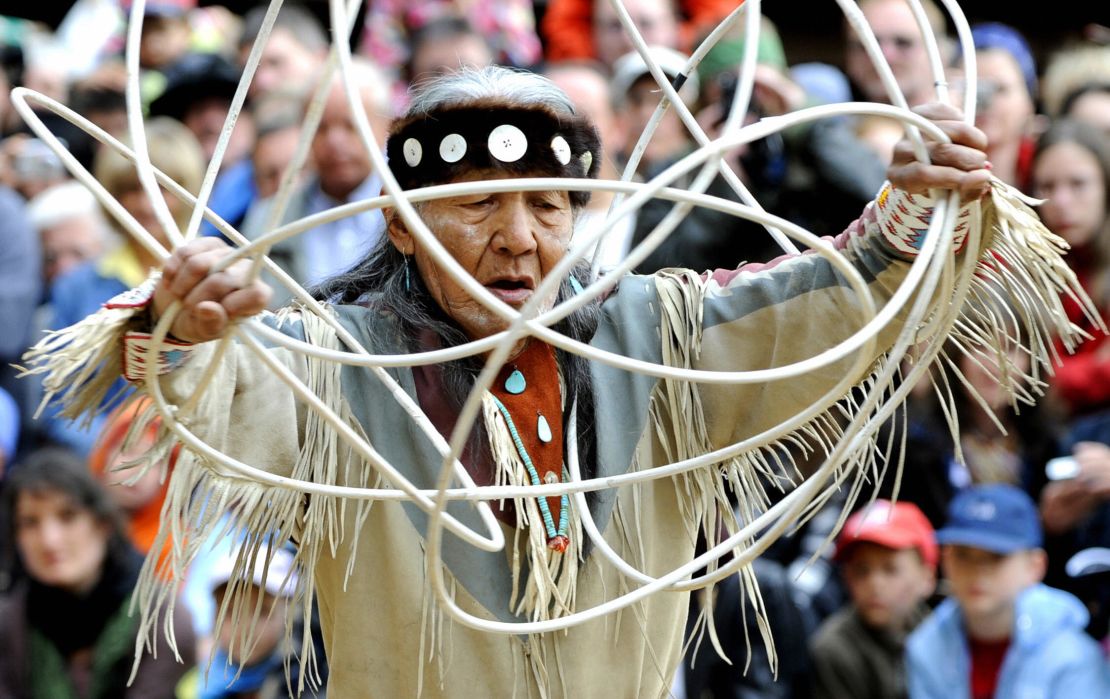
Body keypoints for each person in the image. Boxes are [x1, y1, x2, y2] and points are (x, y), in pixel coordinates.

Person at [26, 66, 1084, 697]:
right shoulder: (333, 360)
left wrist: (916, 206)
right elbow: (230, 394)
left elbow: (825, 306)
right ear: (398, 220)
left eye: (548, 206)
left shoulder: (653, 336)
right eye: (477, 206)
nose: (520, 240)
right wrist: (187, 332)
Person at [0, 447, 195, 698]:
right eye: (30, 522)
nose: (49, 540)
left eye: (67, 516)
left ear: (102, 524)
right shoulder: (10, 624)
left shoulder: (161, 620)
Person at [906, 484, 1110, 699]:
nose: (978, 571)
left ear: (1035, 566)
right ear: (945, 561)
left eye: (996, 556)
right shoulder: (925, 646)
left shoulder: (1071, 653)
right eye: (964, 555)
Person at [811, 500, 937, 699]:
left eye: (890, 569)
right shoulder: (834, 649)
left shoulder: (945, 637)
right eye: (862, 570)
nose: (874, 584)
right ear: (846, 577)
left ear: (927, 578)